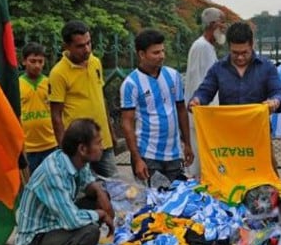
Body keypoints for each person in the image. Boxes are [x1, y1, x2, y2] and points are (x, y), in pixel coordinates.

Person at [15, 118, 115, 245]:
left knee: (96, 197)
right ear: (82, 148)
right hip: (33, 243)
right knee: (90, 231)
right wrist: (101, 214)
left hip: (53, 222)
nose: (102, 147)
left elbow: (89, 182)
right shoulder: (54, 173)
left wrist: (100, 192)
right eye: (98, 143)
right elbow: (72, 221)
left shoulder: (76, 160)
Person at [187, 21, 281, 170]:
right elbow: (204, 92)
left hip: (259, 137)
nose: (240, 57)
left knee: (267, 180)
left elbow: (280, 93)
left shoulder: (267, 67)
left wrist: (275, 102)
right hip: (228, 141)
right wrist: (196, 100)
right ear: (229, 47)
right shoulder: (218, 69)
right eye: (235, 53)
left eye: (244, 52)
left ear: (252, 44)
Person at [120, 29, 193, 185]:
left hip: (174, 154)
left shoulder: (173, 76)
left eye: (162, 51)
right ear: (141, 54)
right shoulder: (131, 84)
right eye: (156, 53)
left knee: (178, 200)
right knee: (154, 202)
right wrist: (136, 158)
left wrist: (187, 143)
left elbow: (181, 110)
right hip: (148, 155)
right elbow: (127, 123)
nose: (162, 56)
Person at [49, 20, 118, 178]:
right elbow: (56, 116)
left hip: (102, 142)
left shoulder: (95, 62)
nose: (86, 49)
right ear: (67, 46)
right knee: (84, 192)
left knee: (115, 188)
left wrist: (111, 132)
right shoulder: (58, 73)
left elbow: (101, 99)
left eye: (88, 43)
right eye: (80, 46)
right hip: (79, 148)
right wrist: (64, 150)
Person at [184, 7, 226, 178]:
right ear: (213, 24)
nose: (224, 27)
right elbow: (204, 84)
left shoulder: (207, 46)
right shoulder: (202, 47)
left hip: (204, 114)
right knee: (200, 162)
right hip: (202, 114)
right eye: (222, 22)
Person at [19, 42, 57, 173]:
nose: (37, 65)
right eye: (32, 61)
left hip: (51, 144)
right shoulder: (17, 85)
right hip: (28, 148)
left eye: (40, 61)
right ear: (24, 61)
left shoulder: (50, 83)